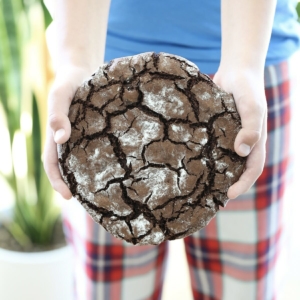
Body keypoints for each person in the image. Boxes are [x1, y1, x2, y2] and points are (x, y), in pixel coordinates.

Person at [43, 0, 300, 299]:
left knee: (243, 291)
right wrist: (77, 60)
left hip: (250, 65)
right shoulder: (93, 98)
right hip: (104, 92)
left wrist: (244, 62)